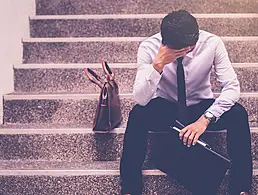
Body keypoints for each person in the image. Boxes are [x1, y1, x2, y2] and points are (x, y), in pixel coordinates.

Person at [119, 10, 252, 195]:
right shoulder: (148, 47)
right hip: (167, 106)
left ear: (193, 44)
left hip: (201, 105)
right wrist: (158, 64)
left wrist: (205, 119)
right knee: (137, 114)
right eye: (175, 50)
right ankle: (130, 189)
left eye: (185, 50)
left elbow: (232, 87)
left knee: (238, 114)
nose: (181, 54)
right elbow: (141, 99)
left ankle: (241, 188)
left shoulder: (212, 43)